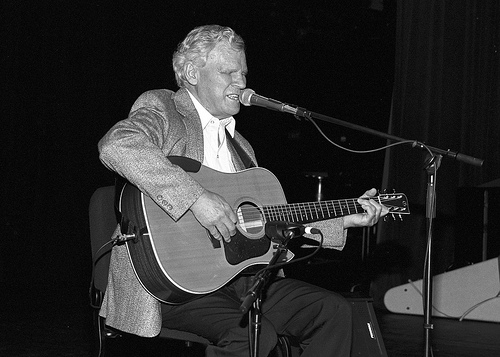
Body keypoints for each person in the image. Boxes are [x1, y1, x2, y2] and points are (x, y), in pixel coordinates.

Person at [98, 24, 388, 356]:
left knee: (332, 311)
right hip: (173, 284)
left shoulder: (244, 149)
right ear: (192, 72)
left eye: (243, 73)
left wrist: (345, 219)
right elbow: (117, 145)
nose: (241, 82)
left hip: (242, 281)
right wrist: (197, 198)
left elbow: (266, 222)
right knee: (254, 337)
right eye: (228, 72)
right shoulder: (165, 109)